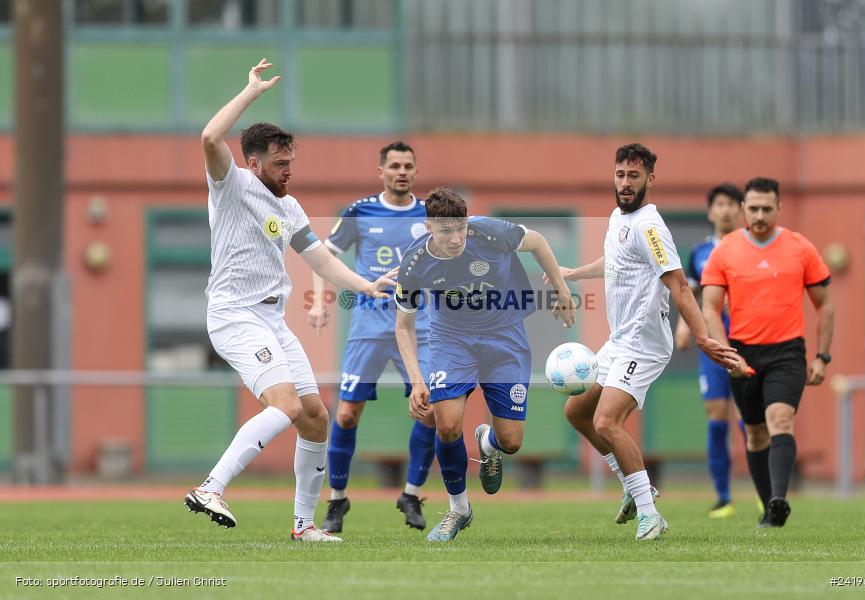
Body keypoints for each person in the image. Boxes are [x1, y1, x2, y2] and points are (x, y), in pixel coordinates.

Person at [183, 59, 396, 543]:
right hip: (234, 315)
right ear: (253, 163)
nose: (288, 171)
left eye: (290, 163)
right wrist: (251, 91)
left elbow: (319, 260)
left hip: (272, 320)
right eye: (280, 164)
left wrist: (366, 285)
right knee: (285, 405)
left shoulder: (290, 206)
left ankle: (304, 527)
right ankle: (210, 488)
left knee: (315, 417)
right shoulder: (232, 185)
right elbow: (210, 137)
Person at [552, 143, 737, 541]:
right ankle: (635, 487)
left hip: (644, 345)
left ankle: (651, 515)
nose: (625, 182)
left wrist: (702, 337)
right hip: (620, 340)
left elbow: (679, 285)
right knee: (577, 411)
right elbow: (615, 261)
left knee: (606, 421)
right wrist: (572, 273)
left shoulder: (650, 226)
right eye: (620, 174)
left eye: (634, 176)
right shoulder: (618, 217)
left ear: (650, 179)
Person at [395, 187, 576, 542]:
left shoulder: (490, 232)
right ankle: (458, 509)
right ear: (429, 226)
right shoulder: (415, 263)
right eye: (446, 231)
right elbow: (403, 325)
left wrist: (562, 289)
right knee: (446, 425)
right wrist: (417, 380)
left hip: (504, 335)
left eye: (460, 228)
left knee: (512, 441)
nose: (456, 238)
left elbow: (538, 242)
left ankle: (489, 444)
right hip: (451, 339)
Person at [307, 141, 435, 533]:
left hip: (419, 327)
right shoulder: (359, 211)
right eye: (394, 166)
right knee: (346, 414)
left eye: (408, 166)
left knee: (429, 410)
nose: (402, 172)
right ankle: (337, 500)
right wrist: (319, 302)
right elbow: (322, 256)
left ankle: (411, 494)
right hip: (369, 328)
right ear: (381, 172)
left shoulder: (430, 213)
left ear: (416, 171)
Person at [702, 177, 834, 528]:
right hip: (743, 352)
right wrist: (728, 355)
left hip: (787, 352)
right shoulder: (725, 250)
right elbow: (710, 307)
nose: (760, 215)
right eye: (754, 208)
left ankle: (778, 498)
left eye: (766, 209)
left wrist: (822, 356)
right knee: (756, 432)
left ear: (779, 208)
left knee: (780, 420)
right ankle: (770, 511)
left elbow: (825, 304)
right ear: (743, 209)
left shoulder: (800, 247)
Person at [673, 183, 744, 518]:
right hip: (714, 343)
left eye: (732, 204)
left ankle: (766, 493)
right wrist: (684, 326)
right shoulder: (700, 251)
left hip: (747, 338)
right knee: (717, 417)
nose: (726, 210)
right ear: (711, 211)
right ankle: (723, 497)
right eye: (720, 204)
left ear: (740, 209)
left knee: (751, 419)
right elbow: (689, 292)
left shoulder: (750, 246)